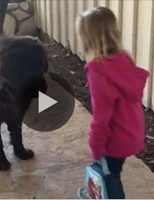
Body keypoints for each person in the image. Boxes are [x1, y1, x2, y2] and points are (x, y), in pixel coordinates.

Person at [75, 7, 149, 199]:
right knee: (111, 170)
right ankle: (95, 193)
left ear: (87, 38)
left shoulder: (98, 70)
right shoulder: (124, 58)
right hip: (132, 131)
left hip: (115, 139)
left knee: (110, 176)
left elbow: (102, 116)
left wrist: (96, 144)